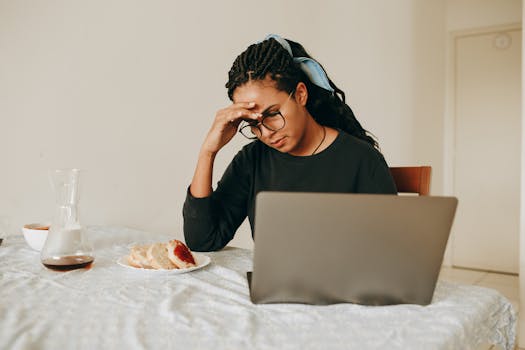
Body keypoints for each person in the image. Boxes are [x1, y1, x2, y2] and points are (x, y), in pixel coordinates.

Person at [183, 34, 397, 252]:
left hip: (346, 284)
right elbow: (202, 240)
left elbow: (390, 251)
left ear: (301, 95)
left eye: (274, 114)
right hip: (277, 285)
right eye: (252, 123)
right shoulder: (253, 159)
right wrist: (208, 151)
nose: (266, 132)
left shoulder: (361, 159)